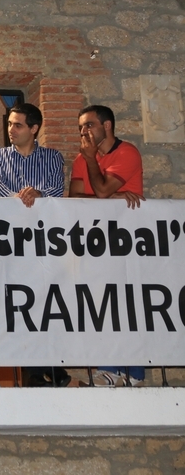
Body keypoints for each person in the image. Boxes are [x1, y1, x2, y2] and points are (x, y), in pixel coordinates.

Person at [0, 102, 70, 387]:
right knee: (22, 304)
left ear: (34, 129)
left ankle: (53, 364)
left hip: (46, 241)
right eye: (9, 124)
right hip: (11, 244)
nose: (11, 130)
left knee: (50, 303)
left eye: (18, 124)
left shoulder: (53, 157)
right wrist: (23, 197)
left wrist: (40, 192)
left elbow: (57, 190)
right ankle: (34, 371)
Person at [69, 104, 146, 387]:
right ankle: (109, 369)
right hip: (95, 242)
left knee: (127, 304)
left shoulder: (127, 153)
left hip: (127, 241)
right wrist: (111, 197)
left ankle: (132, 373)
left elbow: (100, 190)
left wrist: (92, 164)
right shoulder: (82, 158)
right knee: (101, 304)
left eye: (89, 125)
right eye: (80, 127)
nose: (84, 132)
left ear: (107, 126)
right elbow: (75, 199)